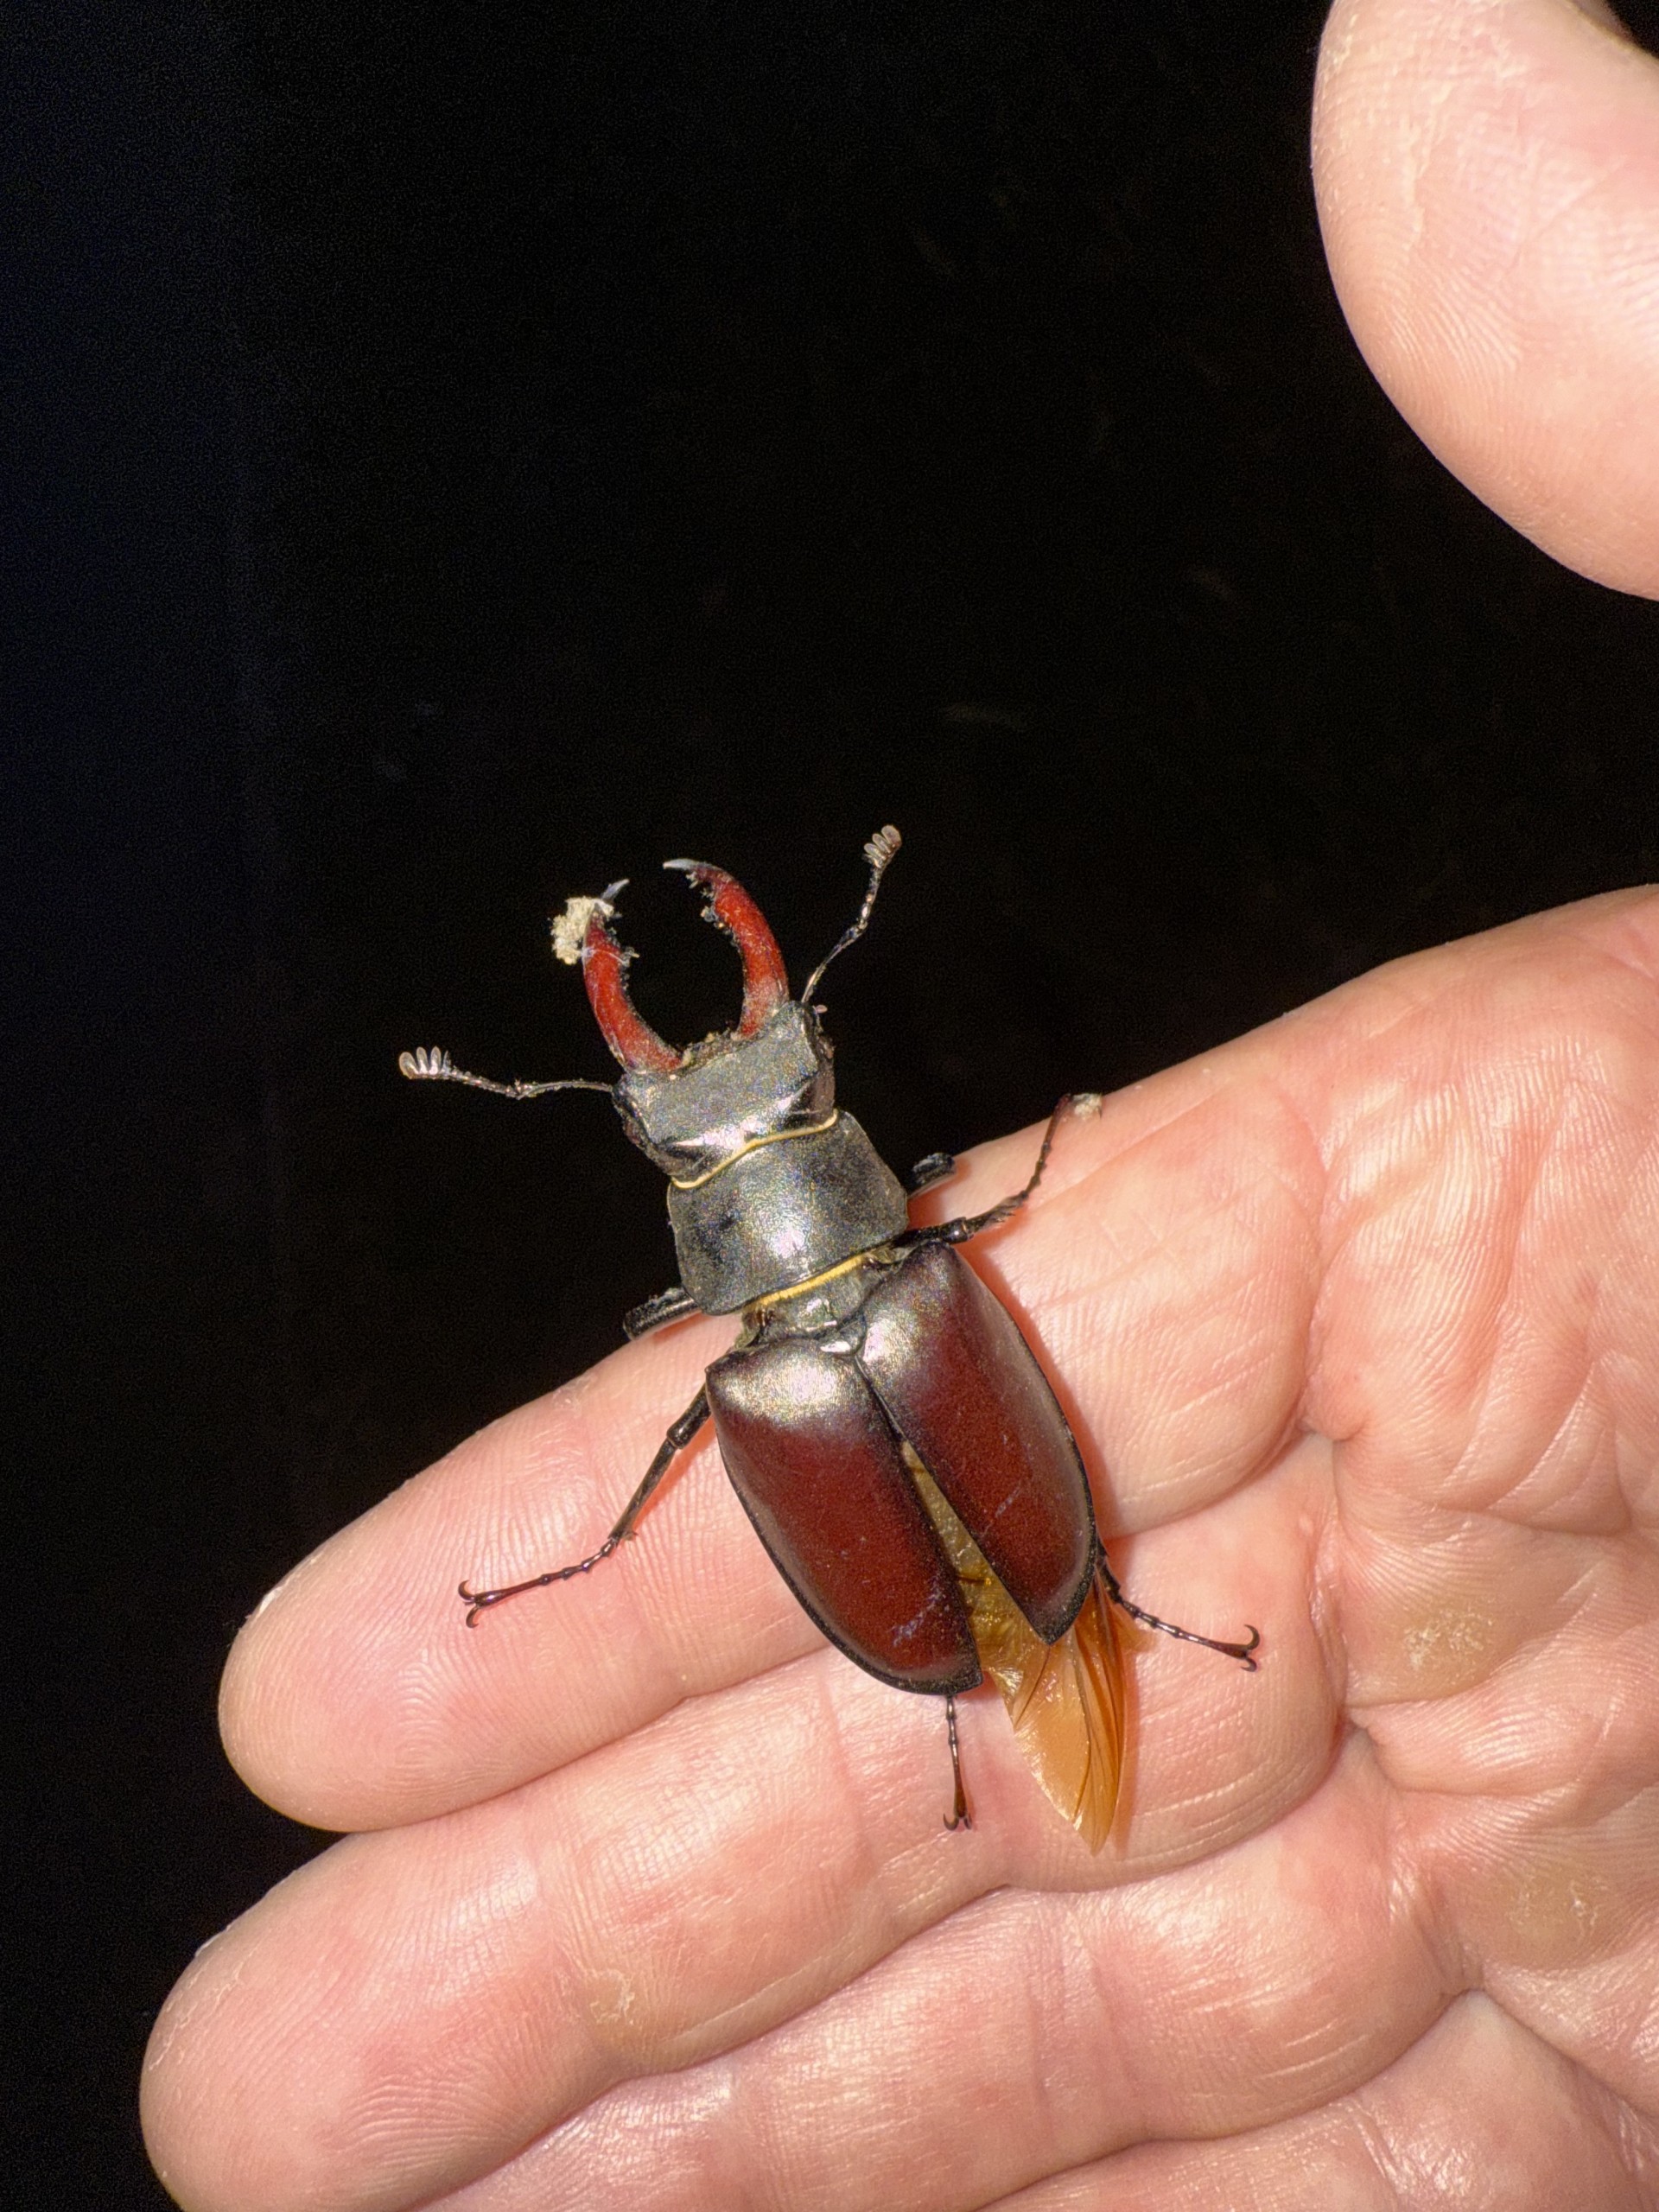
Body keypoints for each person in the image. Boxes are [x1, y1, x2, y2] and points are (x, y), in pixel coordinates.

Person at [141, 4, 1659, 2204]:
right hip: (930, 1501)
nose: (722, 1082)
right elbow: (973, 1304)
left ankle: (993, 1643)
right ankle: (1044, 1643)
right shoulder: (919, 1278)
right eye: (722, 1094)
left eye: (729, 1087)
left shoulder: (756, 1356)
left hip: (898, 1517)